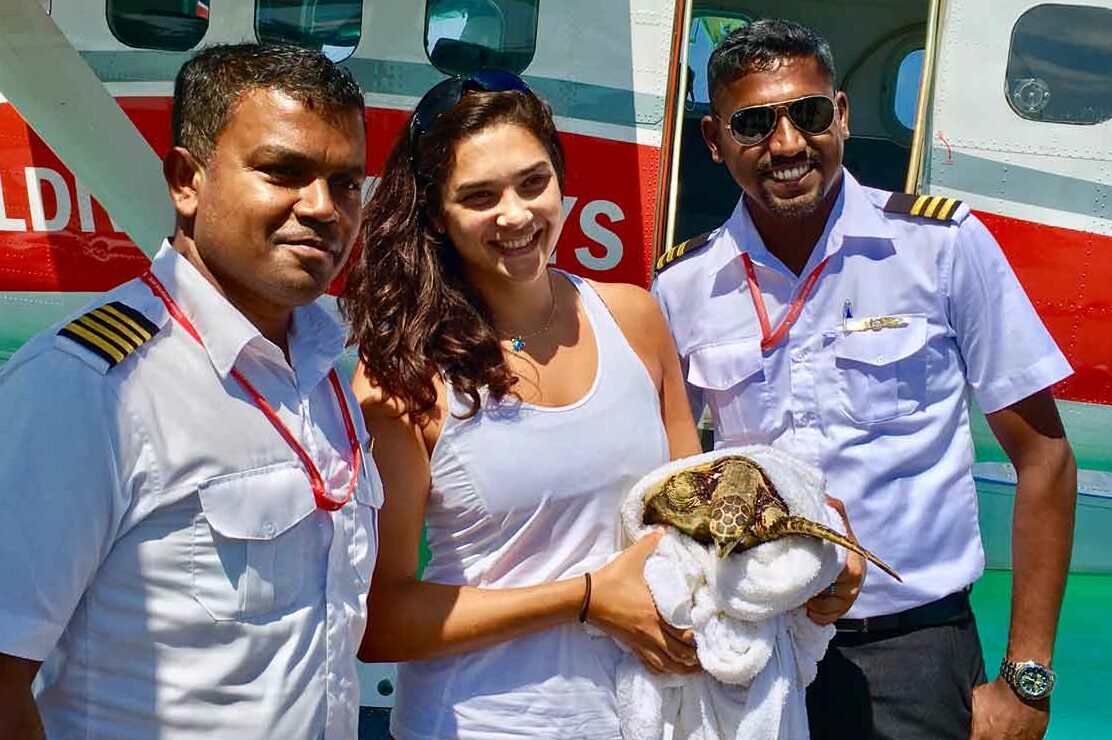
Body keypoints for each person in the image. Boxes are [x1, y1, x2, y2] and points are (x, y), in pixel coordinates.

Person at [651, 19, 1077, 740]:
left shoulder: (940, 245)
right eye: (753, 124)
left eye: (808, 114)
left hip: (913, 652)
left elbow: (1045, 458)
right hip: (758, 646)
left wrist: (1025, 679)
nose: (786, 145)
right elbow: (662, 476)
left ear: (841, 116)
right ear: (715, 143)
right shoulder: (684, 285)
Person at [0, 43, 380, 739]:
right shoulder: (90, 389)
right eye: (283, 172)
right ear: (186, 180)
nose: (324, 208)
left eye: (346, 183)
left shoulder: (324, 371)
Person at [342, 71, 703, 740]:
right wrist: (586, 600)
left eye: (532, 183)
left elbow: (696, 518)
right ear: (436, 216)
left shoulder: (635, 319)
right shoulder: (407, 382)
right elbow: (379, 619)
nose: (515, 215)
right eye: (479, 197)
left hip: (645, 720)